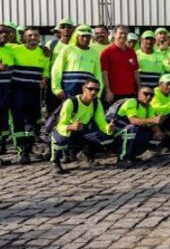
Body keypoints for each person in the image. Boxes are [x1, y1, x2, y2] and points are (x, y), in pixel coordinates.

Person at [49, 79, 115, 174]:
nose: (93, 92)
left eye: (97, 90)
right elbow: (60, 126)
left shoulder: (96, 103)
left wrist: (108, 128)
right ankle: (55, 161)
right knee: (60, 138)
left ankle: (84, 153)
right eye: (90, 89)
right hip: (66, 131)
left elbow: (101, 123)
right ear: (83, 89)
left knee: (106, 137)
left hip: (82, 131)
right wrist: (71, 126)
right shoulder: (71, 102)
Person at [9, 27, 50, 163]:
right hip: (17, 92)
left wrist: (44, 79)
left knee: (33, 123)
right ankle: (22, 152)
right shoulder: (14, 49)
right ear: (24, 37)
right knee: (19, 124)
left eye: (36, 35)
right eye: (30, 35)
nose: (33, 37)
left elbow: (46, 71)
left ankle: (29, 148)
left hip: (34, 93)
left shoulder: (43, 52)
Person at [111, 86, 163, 168]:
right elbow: (133, 121)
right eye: (146, 94)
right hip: (117, 132)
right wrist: (153, 119)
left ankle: (135, 155)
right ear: (139, 94)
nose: (149, 97)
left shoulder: (149, 107)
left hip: (130, 133)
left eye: (151, 95)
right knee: (132, 128)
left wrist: (158, 132)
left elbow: (153, 124)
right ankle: (122, 159)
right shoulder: (132, 102)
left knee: (152, 132)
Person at [51, 25, 104, 100]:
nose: (85, 39)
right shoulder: (67, 49)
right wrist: (56, 88)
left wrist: (99, 93)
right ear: (77, 36)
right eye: (82, 36)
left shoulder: (94, 53)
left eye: (88, 36)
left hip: (88, 91)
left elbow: (98, 75)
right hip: (69, 89)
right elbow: (56, 69)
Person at [100, 25, 140, 106]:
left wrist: (139, 88)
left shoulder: (131, 52)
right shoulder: (106, 52)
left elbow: (135, 71)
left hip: (130, 92)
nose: (123, 36)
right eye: (121, 33)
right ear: (114, 34)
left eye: (125, 34)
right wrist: (108, 91)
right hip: (114, 93)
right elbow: (104, 73)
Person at [0, 24, 16, 155]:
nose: (4, 35)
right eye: (0, 32)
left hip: (6, 93)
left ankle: (2, 146)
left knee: (4, 122)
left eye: (7, 32)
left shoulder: (11, 49)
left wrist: (44, 49)